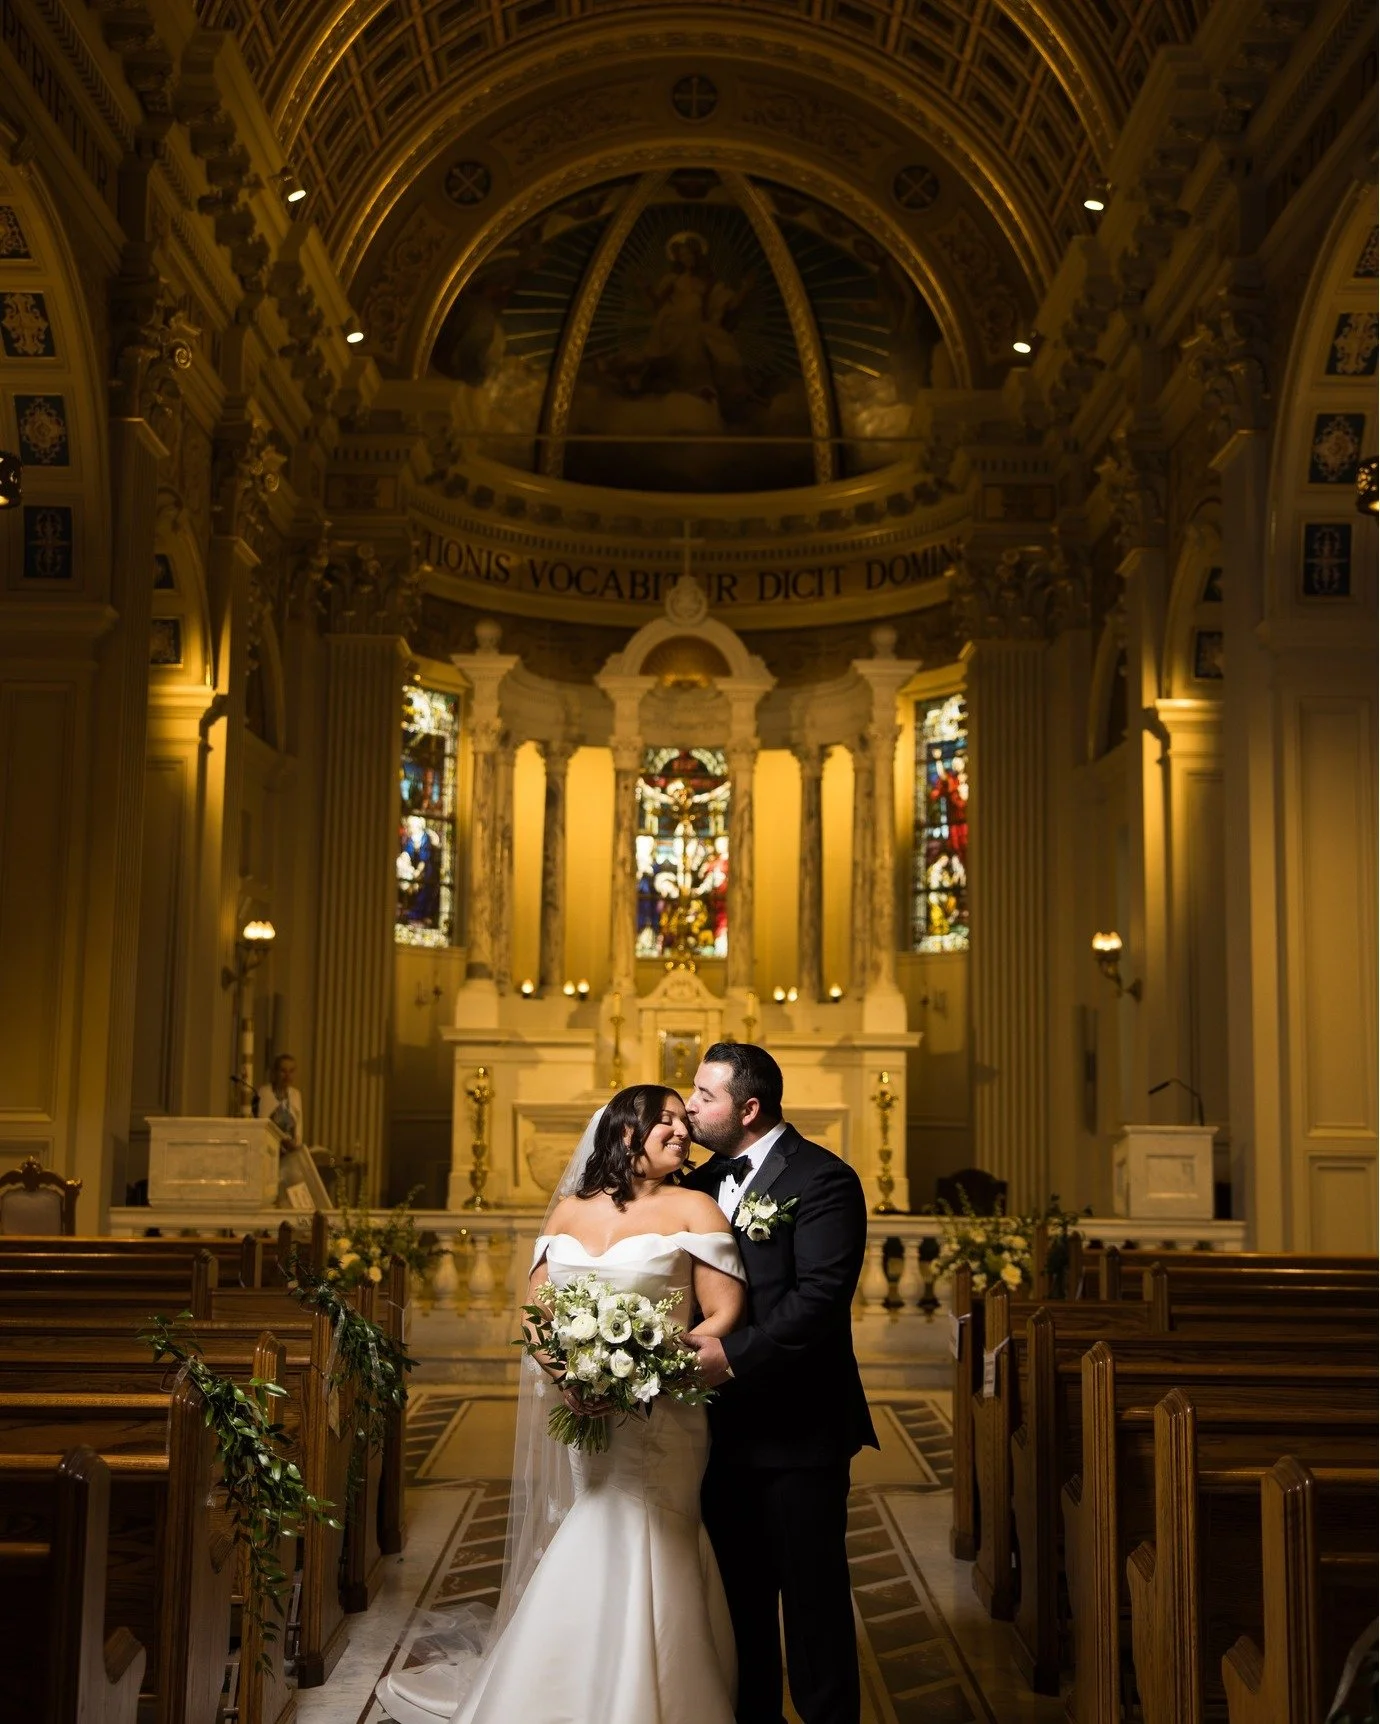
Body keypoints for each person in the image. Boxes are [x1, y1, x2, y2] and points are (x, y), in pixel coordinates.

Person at [376, 1085, 746, 1724]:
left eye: (685, 1122)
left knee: (661, 1532)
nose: (682, 1133)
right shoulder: (570, 1212)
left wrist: (653, 1370)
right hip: (586, 1409)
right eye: (666, 1122)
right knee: (593, 1519)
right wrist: (572, 1376)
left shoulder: (696, 1209)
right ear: (625, 1133)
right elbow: (539, 1315)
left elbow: (724, 1312)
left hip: (665, 1417)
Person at [683, 1041, 877, 1724]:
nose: (691, 1106)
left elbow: (819, 1302)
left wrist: (730, 1356)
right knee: (739, 1608)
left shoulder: (823, 1179)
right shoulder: (698, 1186)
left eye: (705, 1095)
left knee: (814, 1604)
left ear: (750, 1107)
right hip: (716, 1430)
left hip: (801, 1430)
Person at [254, 1054, 303, 1150]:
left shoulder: (296, 1094)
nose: (287, 1076)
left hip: (290, 1151)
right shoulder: (264, 1093)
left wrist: (297, 1145)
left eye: (291, 1071)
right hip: (269, 1148)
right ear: (275, 1072)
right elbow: (262, 1126)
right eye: (283, 1071)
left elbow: (299, 1125)